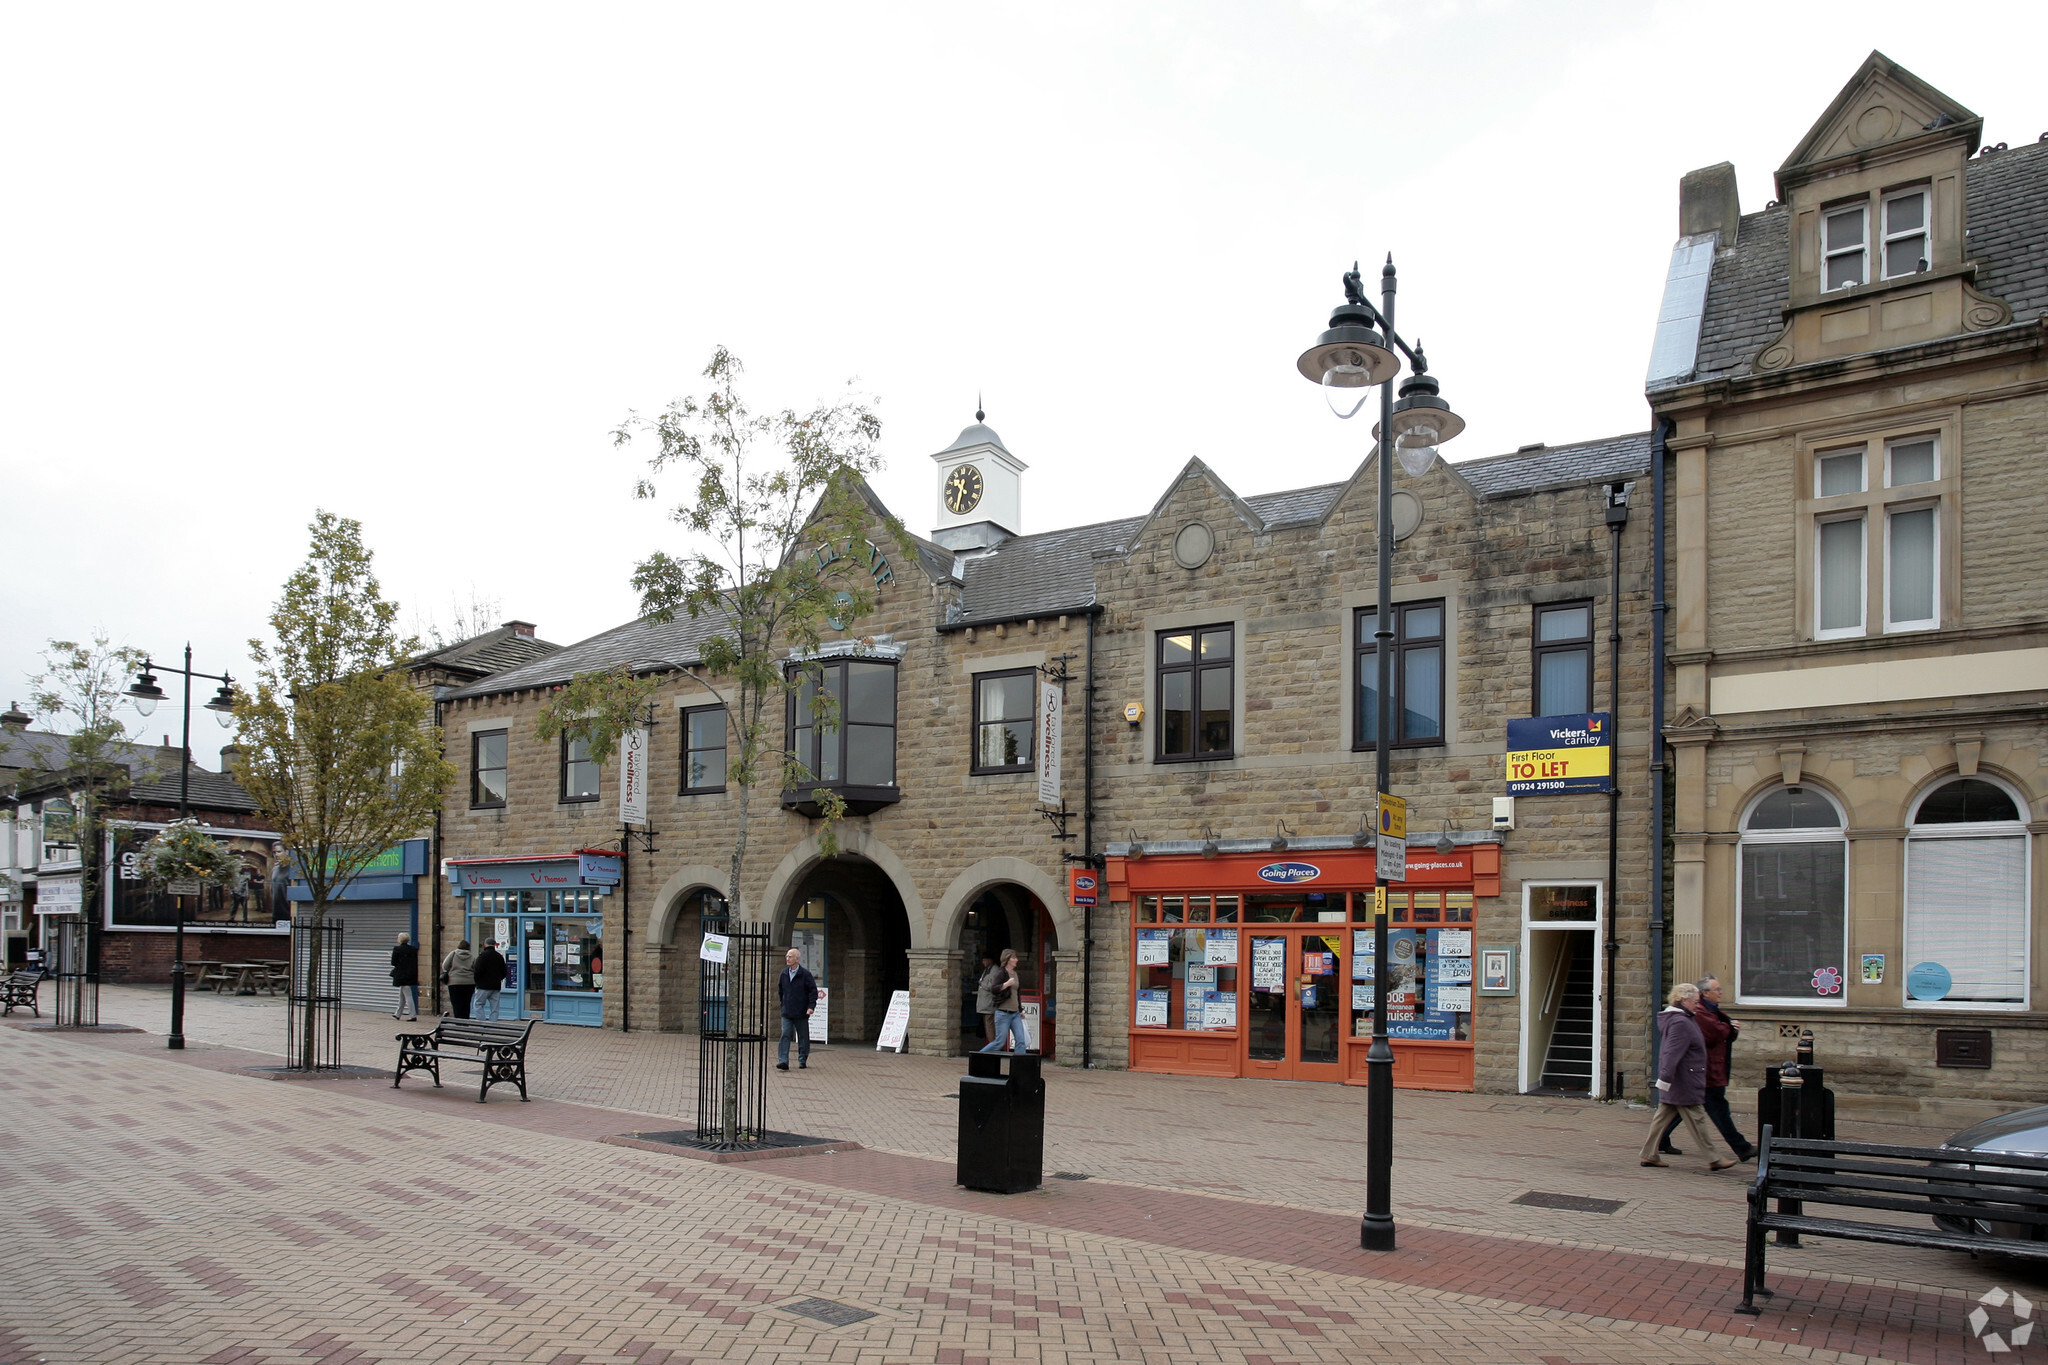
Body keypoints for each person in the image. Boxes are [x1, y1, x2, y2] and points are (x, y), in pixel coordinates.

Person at [1640, 982, 1740, 1172]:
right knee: (1697, 1118)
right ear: (1684, 1000)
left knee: (1661, 1119)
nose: (1697, 1004)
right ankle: (1714, 1158)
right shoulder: (1680, 1022)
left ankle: (1649, 1154)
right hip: (1684, 1081)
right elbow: (1671, 1053)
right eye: (1695, 1001)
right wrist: (1665, 1078)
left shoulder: (1684, 1018)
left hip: (1680, 1080)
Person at [979, 949, 1030, 1054]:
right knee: (999, 1042)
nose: (1016, 960)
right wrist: (1006, 984)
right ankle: (978, 1056)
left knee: (1021, 1041)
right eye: (1014, 958)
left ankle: (1020, 1067)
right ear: (1007, 960)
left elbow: (1017, 994)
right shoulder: (1001, 973)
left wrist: (1020, 1010)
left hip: (1015, 1013)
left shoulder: (1016, 974)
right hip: (1003, 1013)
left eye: (1016, 957)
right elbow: (994, 989)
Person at [777, 947, 816, 1070]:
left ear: (797, 959)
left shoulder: (805, 975)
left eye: (790, 957)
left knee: (803, 1037)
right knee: (785, 1034)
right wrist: (783, 1004)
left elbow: (813, 992)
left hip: (801, 1011)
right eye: (787, 956)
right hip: (787, 1011)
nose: (787, 959)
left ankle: (802, 1058)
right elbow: (780, 991)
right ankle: (783, 1061)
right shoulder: (783, 974)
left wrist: (810, 1007)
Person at [472, 939, 508, 1020]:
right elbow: (504, 972)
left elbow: (477, 971)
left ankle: (482, 1025)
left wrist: (477, 982)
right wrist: (499, 978)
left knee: (478, 1005)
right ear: (495, 945)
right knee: (495, 1008)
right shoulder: (499, 956)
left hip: (482, 986)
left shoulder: (482, 956)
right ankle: (493, 1025)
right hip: (495, 986)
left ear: (485, 944)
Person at [441, 939, 476, 1020]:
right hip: (469, 982)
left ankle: (458, 1022)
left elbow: (445, 966)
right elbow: (475, 968)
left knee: (456, 1004)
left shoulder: (453, 954)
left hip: (454, 982)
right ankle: (465, 1022)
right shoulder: (472, 956)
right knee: (466, 1004)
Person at [389, 932, 419, 1020]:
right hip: (410, 974)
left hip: (401, 974)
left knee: (408, 995)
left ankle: (413, 1015)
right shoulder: (413, 949)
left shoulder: (397, 949)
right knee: (402, 995)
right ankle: (398, 1014)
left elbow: (393, 962)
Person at [974, 952, 999, 1044]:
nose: (983, 962)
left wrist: (982, 984)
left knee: (990, 1025)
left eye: (984, 960)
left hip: (989, 1003)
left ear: (990, 960)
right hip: (984, 1003)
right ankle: (991, 1044)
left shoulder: (995, 970)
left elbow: (991, 986)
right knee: (987, 1025)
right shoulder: (986, 970)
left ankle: (993, 1045)